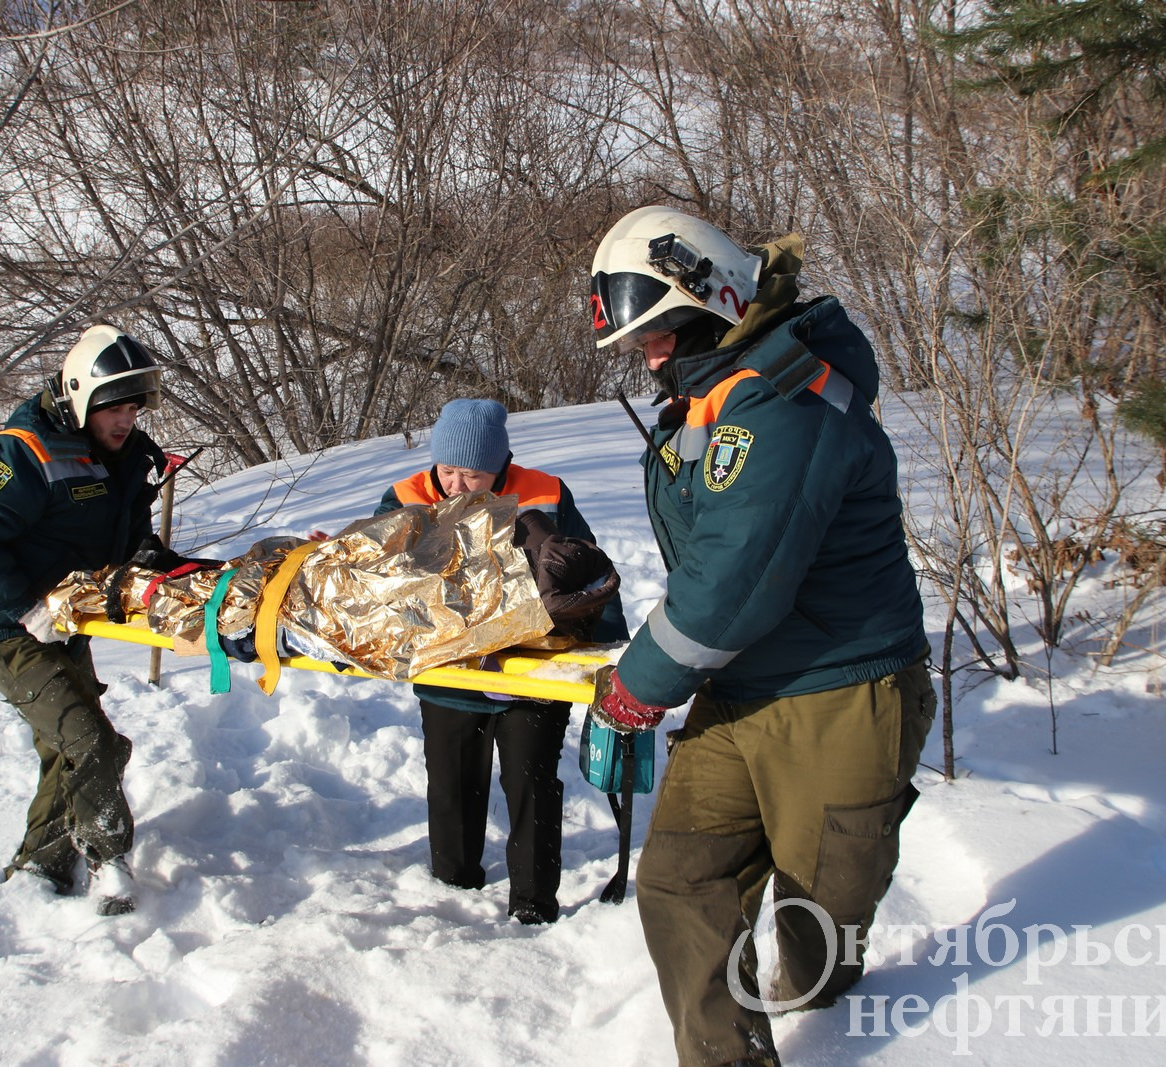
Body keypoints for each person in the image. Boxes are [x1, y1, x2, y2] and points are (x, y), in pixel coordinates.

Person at [586, 206, 935, 1065]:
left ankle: (834, 1013)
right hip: (741, 688)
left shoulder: (785, 400)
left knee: (820, 921)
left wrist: (639, 682)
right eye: (642, 342)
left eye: (660, 333)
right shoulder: (720, 394)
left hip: (840, 689)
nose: (652, 356)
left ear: (715, 298)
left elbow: (734, 582)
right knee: (679, 879)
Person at [0, 324, 168, 916]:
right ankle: (108, 860)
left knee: (63, 750)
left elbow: (125, 527)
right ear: (78, 399)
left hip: (68, 621)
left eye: (132, 405)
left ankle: (40, 866)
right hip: (8, 629)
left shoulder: (124, 454)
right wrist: (27, 607)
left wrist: (144, 557)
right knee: (93, 744)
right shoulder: (24, 452)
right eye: (111, 406)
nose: (125, 418)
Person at [374, 398, 628, 925]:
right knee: (451, 781)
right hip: (449, 670)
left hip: (535, 671)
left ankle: (534, 903)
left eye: (473, 474)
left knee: (530, 782)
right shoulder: (404, 499)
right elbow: (373, 573)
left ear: (501, 463)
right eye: (447, 471)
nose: (456, 486)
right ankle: (453, 881)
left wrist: (608, 656)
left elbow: (589, 575)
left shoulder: (547, 494)